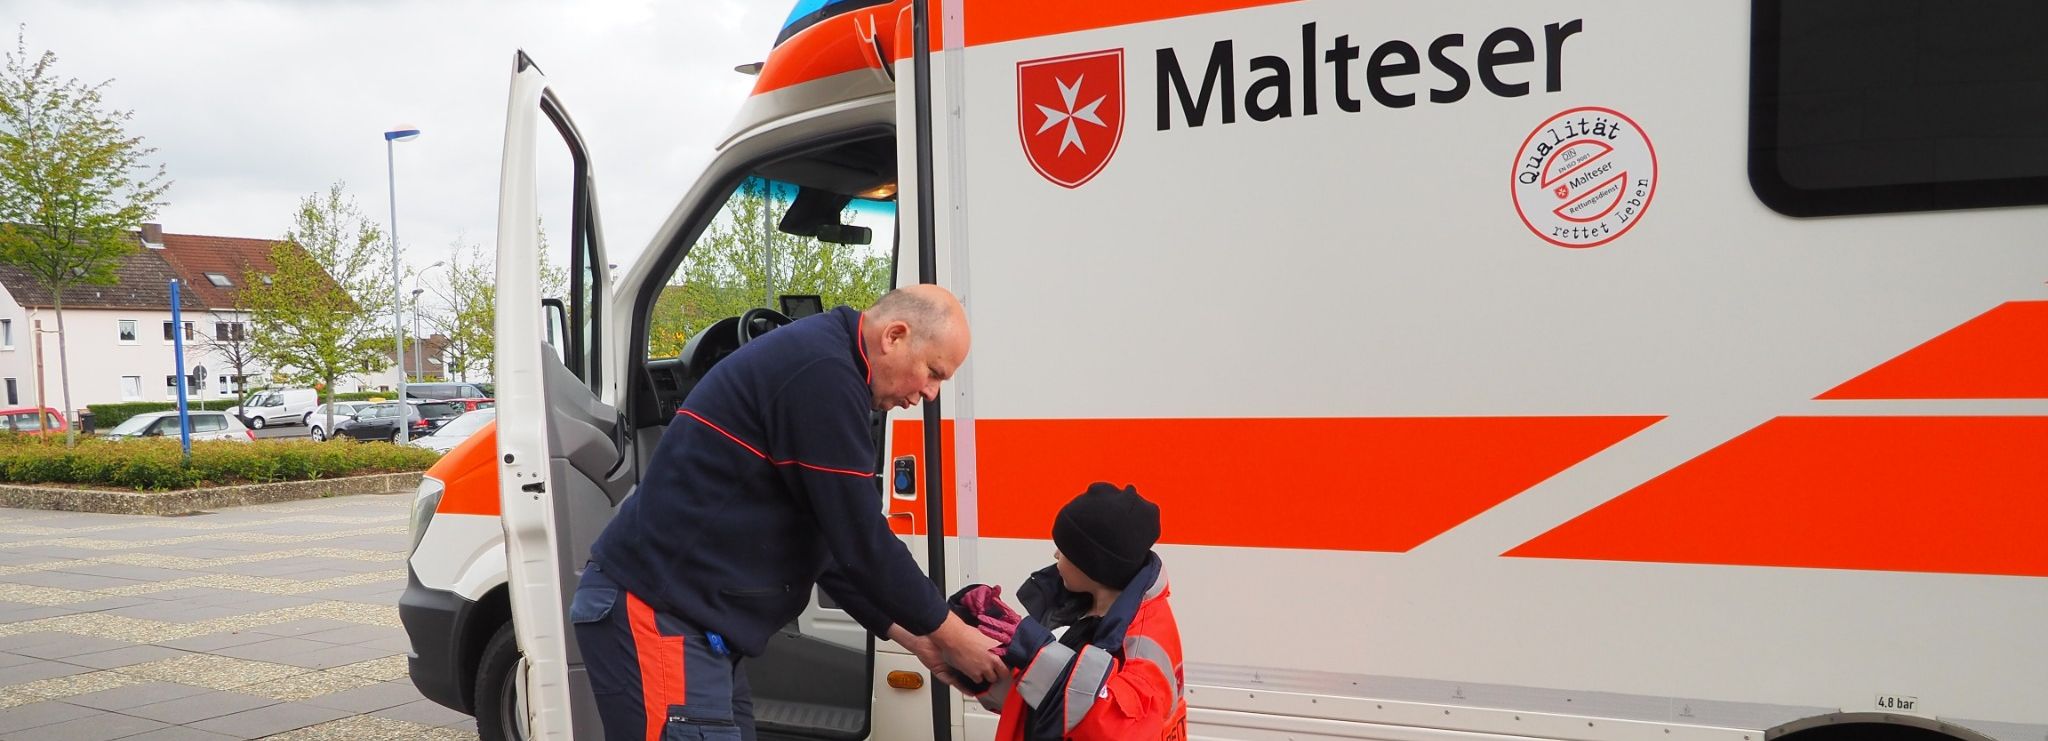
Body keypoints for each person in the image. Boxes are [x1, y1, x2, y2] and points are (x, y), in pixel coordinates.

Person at [572, 285, 1003, 741]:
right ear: (894, 336)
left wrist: (922, 641)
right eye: (933, 373)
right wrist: (956, 636)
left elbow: (832, 547)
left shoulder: (829, 361)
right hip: (660, 614)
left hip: (697, 625)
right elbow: (862, 542)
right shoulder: (823, 373)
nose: (931, 394)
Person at [958, 482, 1188, 740]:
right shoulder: (1092, 611)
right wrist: (982, 656)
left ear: (1095, 566)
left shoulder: (1139, 644)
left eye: (1065, 551)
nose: (1056, 555)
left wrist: (1034, 653)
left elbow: (1108, 726)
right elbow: (1051, 702)